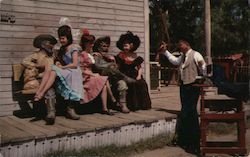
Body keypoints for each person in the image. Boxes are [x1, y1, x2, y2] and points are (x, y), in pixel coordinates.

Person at [157, 38, 206, 154]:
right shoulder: (182, 56)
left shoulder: (196, 54)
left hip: (193, 86)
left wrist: (201, 78)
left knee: (190, 111)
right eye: (179, 45)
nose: (179, 47)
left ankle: (194, 141)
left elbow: (203, 66)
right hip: (184, 86)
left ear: (187, 44)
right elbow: (174, 61)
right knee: (185, 111)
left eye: (181, 45)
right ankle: (185, 140)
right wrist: (165, 52)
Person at [34, 25, 82, 124]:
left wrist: (61, 67)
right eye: (60, 38)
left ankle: (41, 93)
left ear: (68, 37)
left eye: (63, 38)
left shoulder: (74, 48)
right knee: (51, 69)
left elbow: (74, 64)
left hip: (73, 71)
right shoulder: (62, 49)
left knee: (53, 70)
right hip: (66, 70)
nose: (62, 41)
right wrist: (58, 63)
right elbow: (59, 61)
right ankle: (40, 92)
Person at [92, 36, 133, 113]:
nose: (106, 48)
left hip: (111, 79)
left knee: (122, 83)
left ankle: (123, 105)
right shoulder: (96, 55)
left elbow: (115, 68)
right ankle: (125, 77)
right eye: (104, 46)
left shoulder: (108, 56)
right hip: (101, 78)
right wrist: (109, 64)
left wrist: (113, 62)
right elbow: (97, 66)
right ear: (98, 47)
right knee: (111, 67)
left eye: (107, 46)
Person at [79, 29, 116, 115]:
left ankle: (105, 108)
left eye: (92, 43)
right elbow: (81, 70)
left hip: (91, 75)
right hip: (85, 76)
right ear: (85, 44)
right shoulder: (82, 54)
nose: (92, 45)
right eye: (90, 43)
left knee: (103, 84)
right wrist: (92, 74)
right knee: (104, 80)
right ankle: (112, 98)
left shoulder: (91, 54)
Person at [22, 34, 57, 121]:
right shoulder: (36, 55)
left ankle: (51, 112)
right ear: (43, 44)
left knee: (50, 88)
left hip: (52, 79)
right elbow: (24, 61)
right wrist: (37, 65)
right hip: (40, 79)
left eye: (53, 44)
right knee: (50, 90)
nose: (52, 46)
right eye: (50, 43)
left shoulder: (52, 56)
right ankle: (50, 113)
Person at [115, 31, 152, 111]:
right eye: (124, 45)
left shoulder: (135, 55)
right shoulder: (120, 55)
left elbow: (139, 68)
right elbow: (117, 68)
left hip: (134, 73)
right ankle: (131, 105)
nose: (126, 47)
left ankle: (141, 105)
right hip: (124, 74)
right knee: (130, 83)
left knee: (142, 83)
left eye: (127, 45)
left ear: (132, 45)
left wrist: (139, 76)